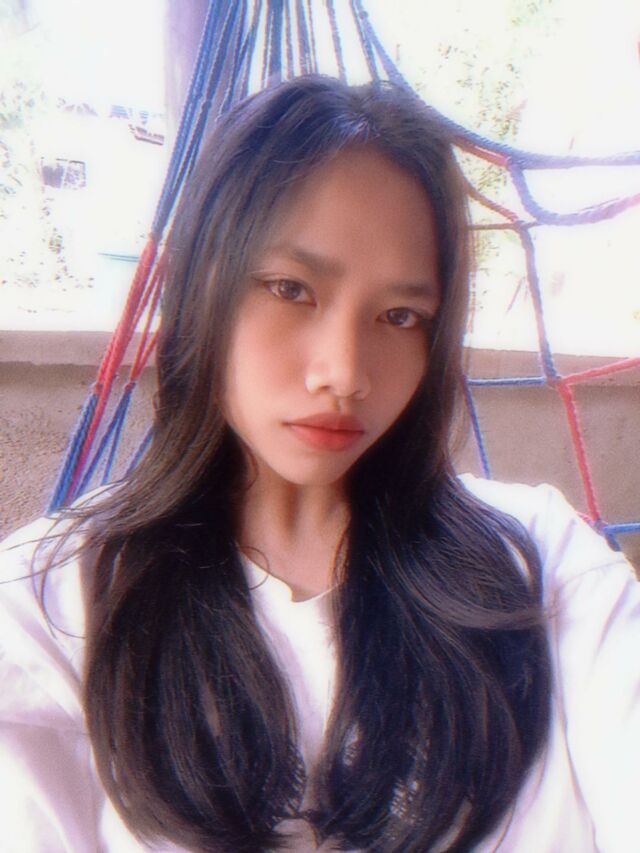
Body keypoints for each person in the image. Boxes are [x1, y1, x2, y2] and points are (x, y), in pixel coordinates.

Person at [0, 75, 638, 853]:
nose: (346, 371)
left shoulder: (546, 566)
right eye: (291, 288)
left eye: (400, 315)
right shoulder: (48, 606)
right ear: (199, 286)